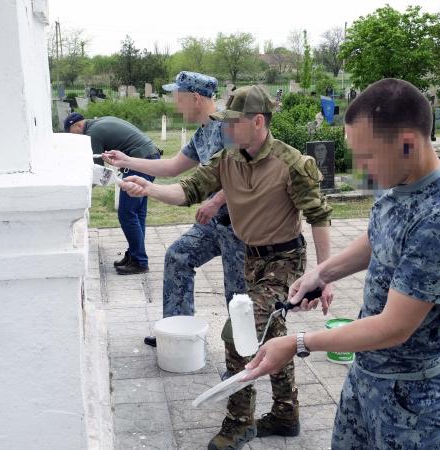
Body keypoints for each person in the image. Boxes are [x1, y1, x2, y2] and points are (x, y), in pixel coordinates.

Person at [242, 78, 440, 449]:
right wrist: (322, 273)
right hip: (368, 373)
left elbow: (393, 327)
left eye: (367, 156)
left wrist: (299, 343)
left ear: (408, 143)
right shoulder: (399, 181)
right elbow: (377, 237)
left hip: (411, 396)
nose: (361, 167)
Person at [119, 85, 334, 450]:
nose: (227, 129)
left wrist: (324, 276)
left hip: (284, 260)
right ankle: (286, 414)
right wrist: (149, 190)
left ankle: (239, 422)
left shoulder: (292, 164)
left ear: (258, 122)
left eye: (234, 123)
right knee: (272, 332)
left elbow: (318, 216)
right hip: (250, 257)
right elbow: (187, 190)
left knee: (239, 333)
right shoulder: (227, 159)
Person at [102, 71, 246, 348]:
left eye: (178, 97)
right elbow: (171, 167)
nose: (175, 104)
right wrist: (126, 161)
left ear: (195, 98)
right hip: (214, 222)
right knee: (178, 256)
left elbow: (244, 174)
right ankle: (176, 332)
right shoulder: (202, 133)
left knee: (238, 294)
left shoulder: (229, 127)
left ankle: (248, 351)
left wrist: (216, 200)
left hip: (241, 225)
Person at [64, 113, 161, 275]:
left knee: (127, 213)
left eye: (71, 133)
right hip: (149, 156)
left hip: (140, 161)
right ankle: (134, 255)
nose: (74, 138)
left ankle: (139, 262)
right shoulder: (99, 122)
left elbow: (96, 170)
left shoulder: (92, 133)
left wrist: (81, 191)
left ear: (78, 126)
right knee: (137, 213)